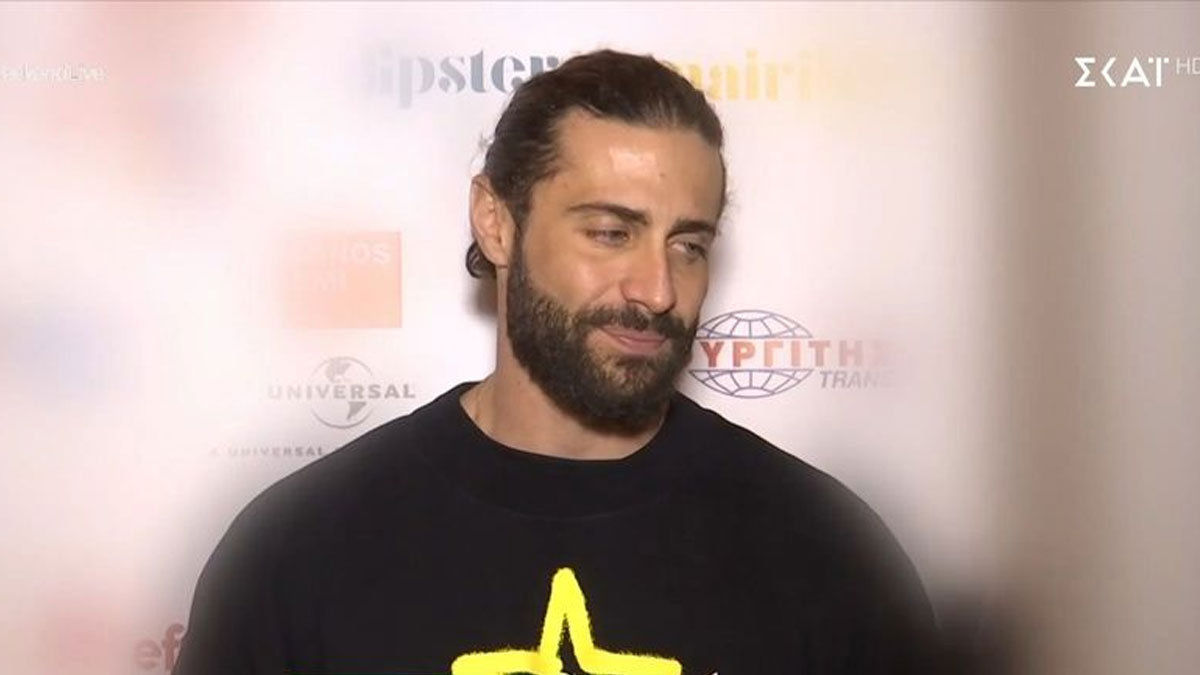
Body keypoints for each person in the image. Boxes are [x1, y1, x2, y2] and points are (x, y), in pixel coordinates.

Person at [174, 49, 941, 675]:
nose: (657, 289)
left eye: (688, 245)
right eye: (611, 232)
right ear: (496, 223)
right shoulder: (300, 551)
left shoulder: (830, 552)